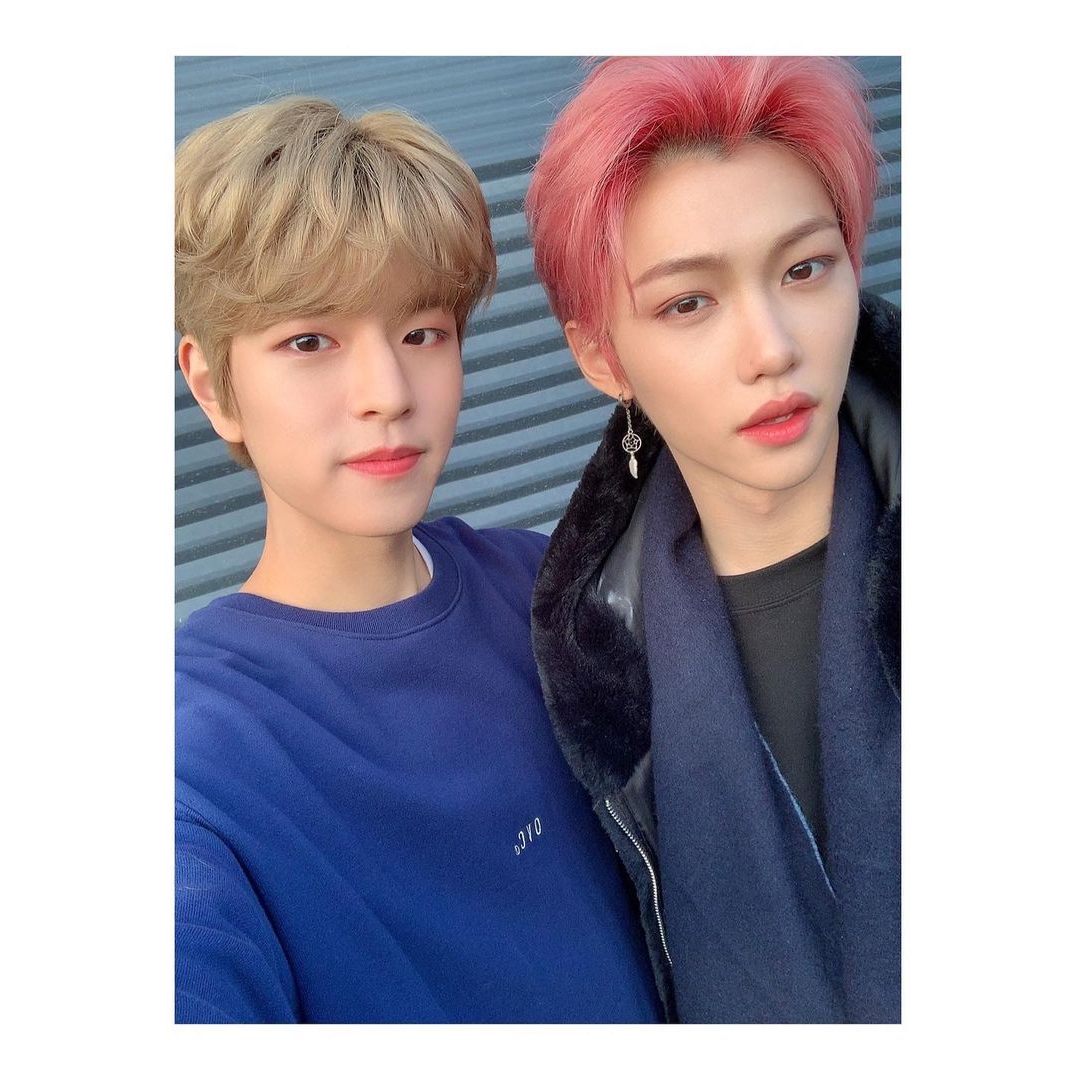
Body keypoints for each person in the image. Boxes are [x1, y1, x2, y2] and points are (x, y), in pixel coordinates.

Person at [174, 96, 663, 1023]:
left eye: (421, 332)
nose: (387, 393)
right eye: (309, 340)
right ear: (213, 386)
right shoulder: (198, 754)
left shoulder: (555, 588)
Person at [524, 56, 900, 1022]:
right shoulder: (588, 653)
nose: (772, 346)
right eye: (688, 302)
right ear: (601, 356)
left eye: (805, 268)